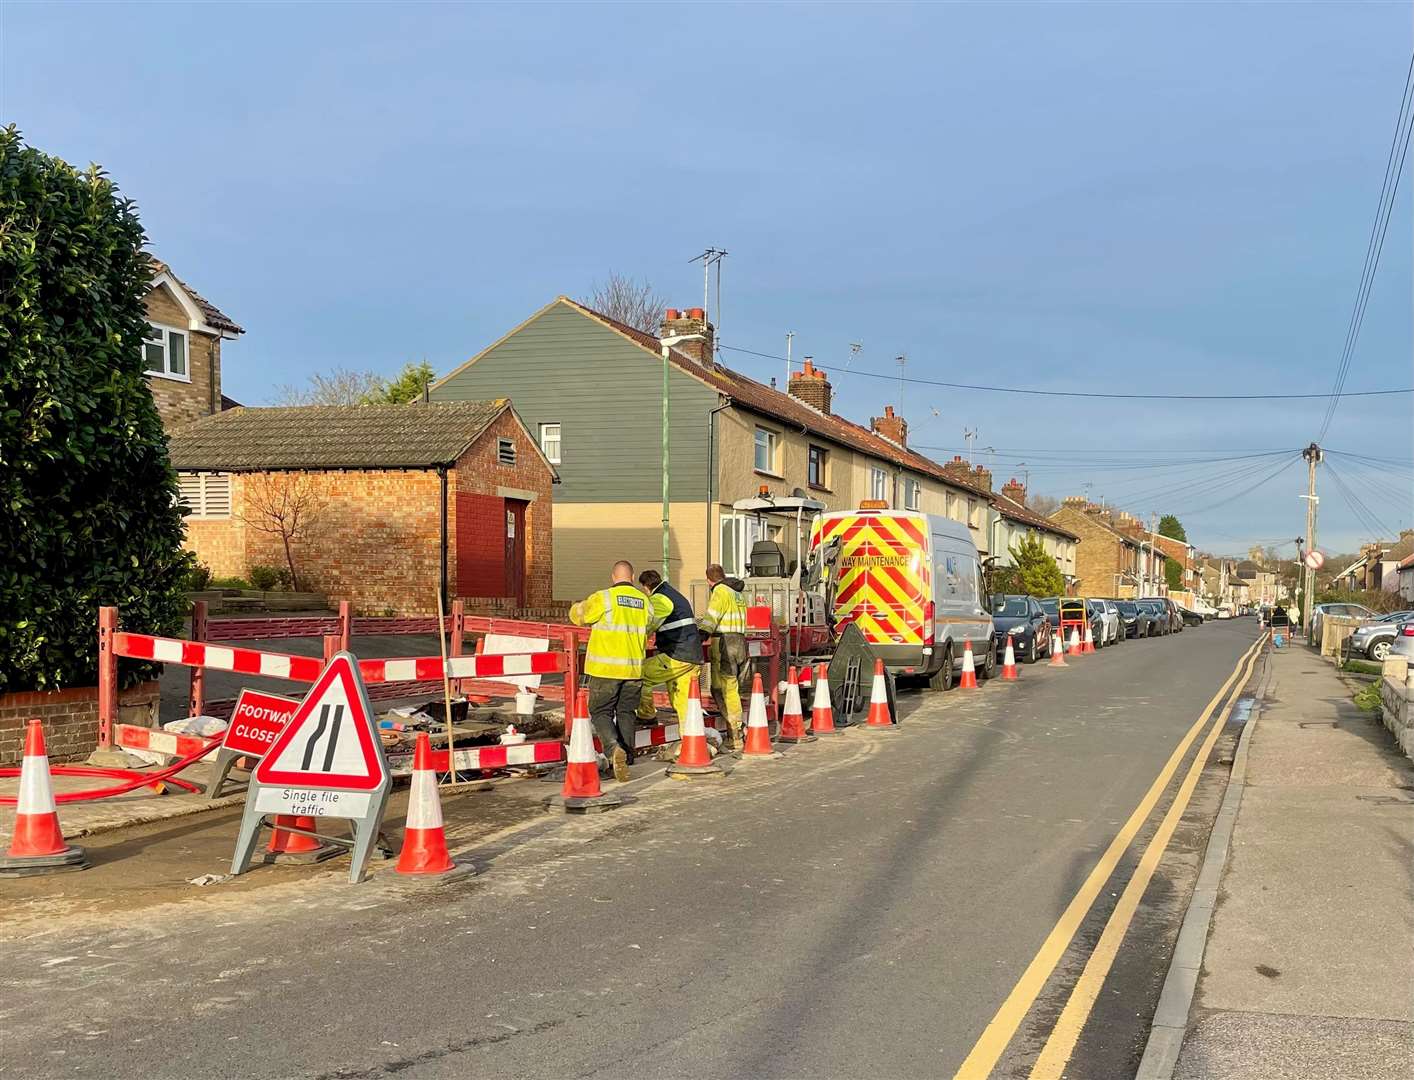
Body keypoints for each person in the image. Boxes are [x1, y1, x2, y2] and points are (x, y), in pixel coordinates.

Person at [569, 560, 655, 783]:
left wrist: (575, 606)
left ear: (613, 577)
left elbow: (580, 616)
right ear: (633, 577)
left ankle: (613, 750)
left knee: (600, 711)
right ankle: (626, 760)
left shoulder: (604, 598)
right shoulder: (644, 602)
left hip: (606, 668)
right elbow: (649, 625)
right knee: (627, 712)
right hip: (634, 670)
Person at [635, 568, 703, 729]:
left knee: (638, 674)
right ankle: (690, 741)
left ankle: (647, 715)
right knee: (683, 703)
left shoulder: (660, 598)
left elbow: (648, 625)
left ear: (646, 587)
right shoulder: (675, 595)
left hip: (677, 655)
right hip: (692, 655)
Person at [698, 563, 750, 750]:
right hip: (739, 640)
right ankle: (735, 730)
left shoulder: (720, 591)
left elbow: (712, 616)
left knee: (725, 687)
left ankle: (735, 731)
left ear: (709, 580)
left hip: (724, 642)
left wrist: (702, 633)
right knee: (728, 686)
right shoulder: (737, 593)